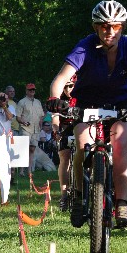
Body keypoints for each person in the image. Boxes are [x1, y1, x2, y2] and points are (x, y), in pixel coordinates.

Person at [46, 0, 127, 229]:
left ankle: (122, 202)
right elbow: (61, 77)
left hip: (122, 103)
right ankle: (77, 194)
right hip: (87, 102)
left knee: (120, 142)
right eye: (104, 26)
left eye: (115, 26)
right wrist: (55, 99)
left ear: (122, 27)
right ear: (96, 27)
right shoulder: (85, 46)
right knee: (82, 142)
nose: (110, 31)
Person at [52, 76, 77, 211]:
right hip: (66, 129)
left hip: (81, 128)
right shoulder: (60, 99)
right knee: (64, 157)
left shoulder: (82, 96)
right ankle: (64, 194)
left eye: (72, 85)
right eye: (66, 86)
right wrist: (56, 130)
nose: (69, 89)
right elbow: (55, 118)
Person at [15, 83, 44, 175]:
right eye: (30, 90)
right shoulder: (21, 102)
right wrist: (23, 122)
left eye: (33, 90)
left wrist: (41, 123)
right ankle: (21, 171)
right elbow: (18, 117)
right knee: (23, 148)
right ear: (26, 91)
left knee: (32, 149)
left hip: (36, 129)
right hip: (25, 128)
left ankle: (29, 170)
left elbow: (41, 115)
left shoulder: (38, 102)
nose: (32, 91)